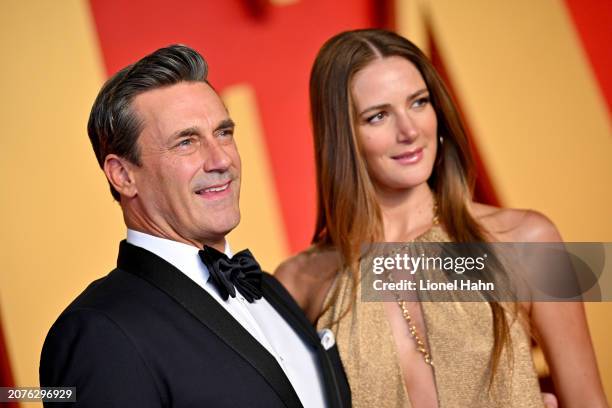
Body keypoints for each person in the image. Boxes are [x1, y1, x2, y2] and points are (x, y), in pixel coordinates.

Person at [275, 29, 608, 408]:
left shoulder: (526, 239)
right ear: (341, 136)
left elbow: (587, 401)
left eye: (418, 103)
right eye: (378, 116)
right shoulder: (299, 283)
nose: (410, 130)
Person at [39, 44, 350, 408]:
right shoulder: (99, 332)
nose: (221, 159)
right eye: (186, 142)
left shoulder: (269, 289)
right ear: (123, 175)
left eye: (223, 133)